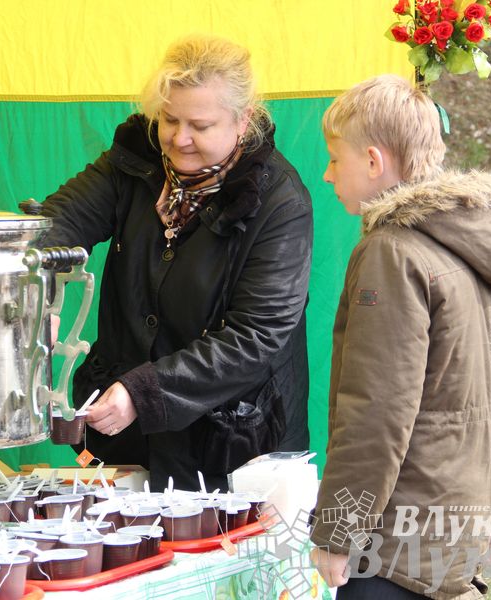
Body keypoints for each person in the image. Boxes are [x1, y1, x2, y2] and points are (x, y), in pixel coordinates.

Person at [38, 35, 313, 491]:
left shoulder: (280, 203)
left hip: (236, 446)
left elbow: (256, 337)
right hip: (129, 444)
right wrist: (35, 292)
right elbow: (55, 225)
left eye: (200, 126)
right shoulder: (134, 160)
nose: (179, 140)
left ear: (242, 121)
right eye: (169, 119)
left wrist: (143, 393)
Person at [309, 75, 491, 599]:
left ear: (372, 161)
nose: (326, 173)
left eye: (334, 158)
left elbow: (377, 410)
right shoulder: (470, 245)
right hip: (457, 529)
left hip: (395, 548)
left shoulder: (392, 251)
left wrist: (339, 531)